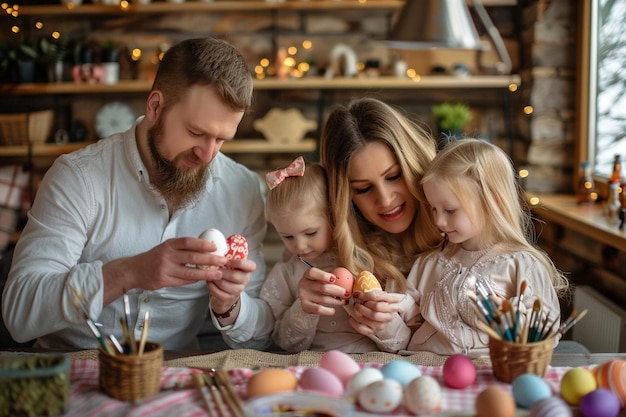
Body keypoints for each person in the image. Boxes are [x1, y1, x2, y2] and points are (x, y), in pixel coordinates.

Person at [1, 37, 274, 351]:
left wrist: (230, 305)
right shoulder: (79, 177)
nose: (208, 154)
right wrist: (128, 273)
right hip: (75, 372)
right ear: (155, 106)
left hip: (174, 379)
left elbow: (262, 336)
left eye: (222, 139)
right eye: (196, 133)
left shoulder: (243, 190)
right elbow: (18, 312)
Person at [402, 138, 570, 357]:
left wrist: (512, 323)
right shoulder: (430, 263)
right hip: (424, 370)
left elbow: (548, 334)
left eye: (450, 210)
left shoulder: (522, 265)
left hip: (490, 374)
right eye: (433, 209)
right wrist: (387, 317)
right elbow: (404, 328)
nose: (438, 221)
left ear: (493, 202)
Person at [297, 97, 442, 346]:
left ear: (414, 165)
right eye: (363, 189)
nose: (385, 200)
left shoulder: (459, 235)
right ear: (346, 198)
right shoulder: (334, 257)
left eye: (394, 176)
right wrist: (302, 309)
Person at [259, 156, 410, 352]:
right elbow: (285, 342)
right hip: (314, 364)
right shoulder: (287, 274)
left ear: (335, 218)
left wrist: (382, 319)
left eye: (311, 233)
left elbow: (403, 342)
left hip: (370, 362)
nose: (300, 245)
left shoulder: (371, 260)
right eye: (287, 236)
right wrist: (304, 310)